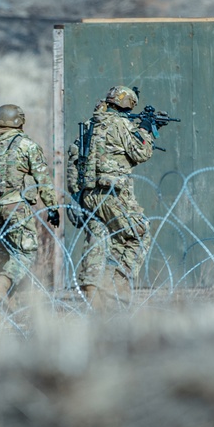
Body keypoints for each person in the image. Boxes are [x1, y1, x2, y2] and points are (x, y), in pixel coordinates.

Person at [71, 85, 158, 309]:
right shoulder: (120, 124)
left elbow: (74, 158)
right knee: (139, 234)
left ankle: (97, 287)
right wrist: (146, 130)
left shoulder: (92, 124)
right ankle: (118, 283)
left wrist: (76, 195)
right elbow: (141, 152)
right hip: (112, 193)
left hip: (89, 194)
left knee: (105, 238)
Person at [0, 104, 60, 303]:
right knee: (26, 251)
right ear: (18, 121)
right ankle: (1, 286)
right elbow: (43, 179)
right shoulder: (26, 145)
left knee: (6, 256)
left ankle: (8, 302)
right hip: (16, 207)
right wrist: (52, 207)